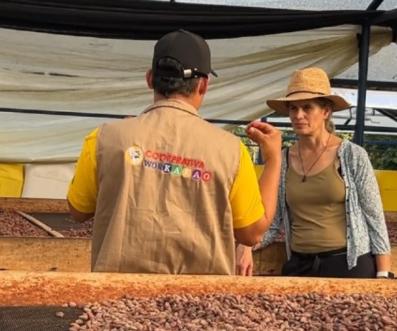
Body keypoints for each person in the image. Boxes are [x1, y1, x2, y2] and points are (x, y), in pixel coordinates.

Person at [66, 29, 282, 274]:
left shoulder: (104, 138)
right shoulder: (231, 151)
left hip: (116, 294)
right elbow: (252, 233)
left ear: (150, 79)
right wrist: (274, 159)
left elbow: (78, 211)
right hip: (199, 297)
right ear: (203, 84)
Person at [236, 68, 392, 279]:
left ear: (326, 111)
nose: (298, 115)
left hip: (349, 264)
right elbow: (272, 222)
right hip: (301, 264)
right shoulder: (282, 160)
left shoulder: (352, 156)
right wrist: (246, 244)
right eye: (293, 108)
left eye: (307, 107)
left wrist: (383, 274)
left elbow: (374, 218)